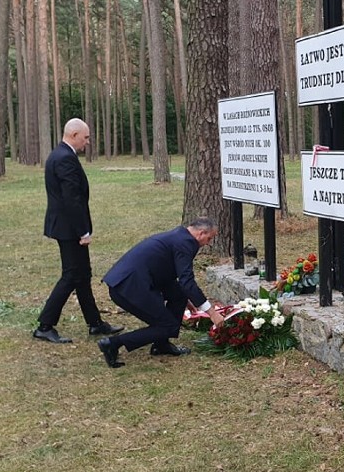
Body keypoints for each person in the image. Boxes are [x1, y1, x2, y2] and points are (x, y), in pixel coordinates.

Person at [34, 118, 124, 344]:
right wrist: (83, 231)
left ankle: (94, 323)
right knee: (72, 275)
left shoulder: (60, 154)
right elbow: (71, 199)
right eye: (85, 137)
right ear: (73, 135)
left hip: (66, 226)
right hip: (69, 228)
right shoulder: (64, 158)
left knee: (82, 275)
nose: (87, 142)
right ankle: (45, 325)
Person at [97, 217, 226, 368]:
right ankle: (112, 344)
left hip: (135, 281)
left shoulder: (180, 236)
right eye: (209, 238)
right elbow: (187, 281)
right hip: (128, 288)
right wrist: (212, 312)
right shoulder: (186, 243)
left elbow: (167, 272)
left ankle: (161, 345)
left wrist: (187, 298)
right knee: (168, 326)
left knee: (179, 296)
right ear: (201, 233)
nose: (208, 243)